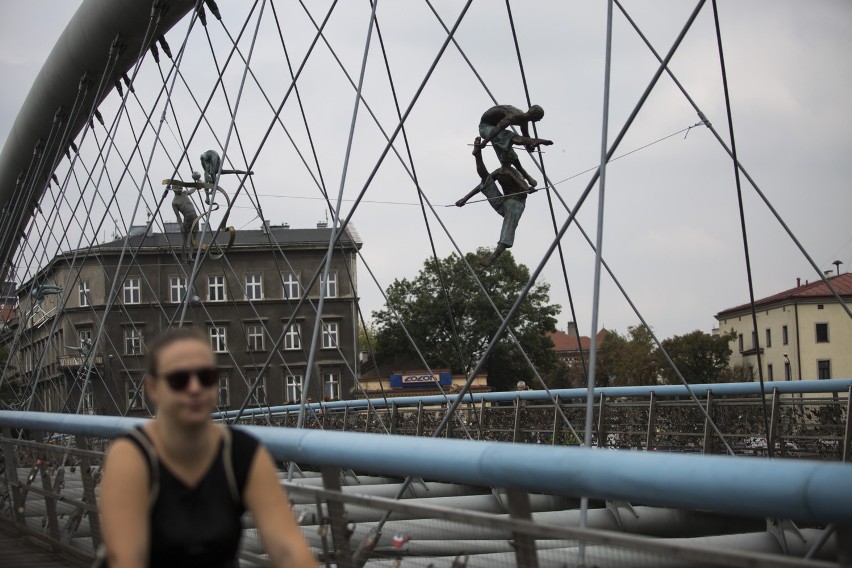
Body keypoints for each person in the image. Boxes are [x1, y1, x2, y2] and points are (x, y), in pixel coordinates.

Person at [99, 328, 317, 568]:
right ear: (152, 388)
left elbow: (287, 547)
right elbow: (126, 558)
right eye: (179, 379)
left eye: (206, 377)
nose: (194, 388)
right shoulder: (132, 455)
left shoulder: (242, 452)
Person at [456, 137, 536, 267]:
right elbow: (483, 184)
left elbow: (523, 186)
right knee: (486, 180)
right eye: (502, 153)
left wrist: (528, 189)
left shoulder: (513, 172)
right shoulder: (499, 172)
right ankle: (478, 155)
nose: (502, 155)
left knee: (508, 228)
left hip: (515, 204)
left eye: (506, 153)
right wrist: (465, 199)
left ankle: (493, 256)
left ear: (510, 158)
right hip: (503, 202)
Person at [475, 104, 552, 188]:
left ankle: (526, 176)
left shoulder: (524, 121)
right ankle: (536, 141)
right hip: (485, 126)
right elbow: (499, 127)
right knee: (509, 136)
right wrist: (485, 142)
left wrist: (529, 147)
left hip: (495, 129)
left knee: (508, 152)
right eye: (539, 118)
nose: (539, 120)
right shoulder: (514, 115)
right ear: (535, 116)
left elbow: (525, 136)